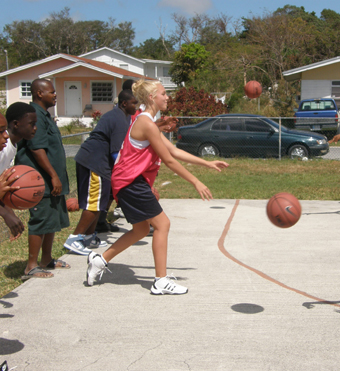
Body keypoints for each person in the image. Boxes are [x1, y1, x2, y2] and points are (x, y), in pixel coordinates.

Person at [86, 79, 229, 294]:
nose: (167, 97)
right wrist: (196, 181)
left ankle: (99, 260)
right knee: (163, 224)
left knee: (142, 229)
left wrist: (207, 163)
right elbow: (169, 161)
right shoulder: (146, 123)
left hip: (130, 181)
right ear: (152, 97)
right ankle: (160, 281)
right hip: (129, 181)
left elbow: (173, 151)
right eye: (164, 93)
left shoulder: (148, 122)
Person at [63, 90, 139, 255]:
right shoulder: (119, 119)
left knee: (100, 203)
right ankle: (75, 239)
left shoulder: (121, 116)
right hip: (94, 162)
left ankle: (89, 237)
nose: (136, 106)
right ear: (124, 103)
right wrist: (127, 173)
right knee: (95, 202)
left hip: (97, 162)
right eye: (134, 103)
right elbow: (116, 153)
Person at [15, 79, 71, 279]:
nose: (55, 95)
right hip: (39, 180)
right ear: (39, 93)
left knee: (52, 219)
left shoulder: (45, 115)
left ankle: (46, 259)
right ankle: (31, 266)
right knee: (40, 219)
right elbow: (37, 148)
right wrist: (53, 176)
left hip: (51, 180)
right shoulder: (34, 116)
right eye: (52, 92)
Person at [0, 103, 37, 240]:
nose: (6, 135)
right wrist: (6, 214)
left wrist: (9, 213)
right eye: (31, 124)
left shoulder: (10, 147)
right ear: (16, 124)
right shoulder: (4, 149)